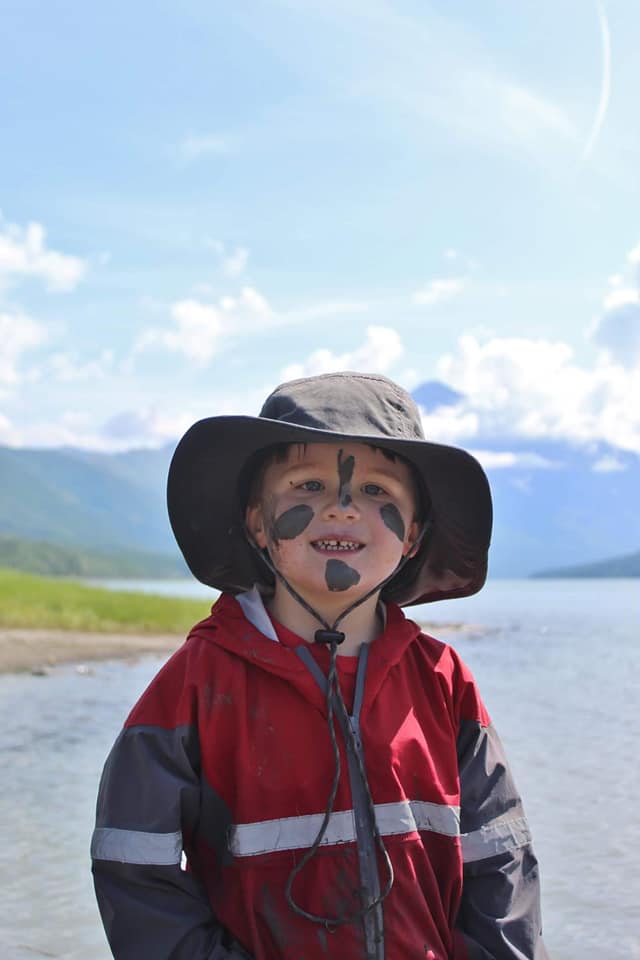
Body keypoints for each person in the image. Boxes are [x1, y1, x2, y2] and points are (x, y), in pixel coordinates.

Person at [91, 371, 549, 960]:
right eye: (307, 485)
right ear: (258, 522)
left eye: (379, 492)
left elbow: (499, 860)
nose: (343, 508)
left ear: (412, 536)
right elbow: (136, 871)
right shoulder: (197, 682)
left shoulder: (442, 681)